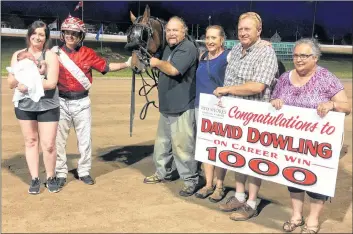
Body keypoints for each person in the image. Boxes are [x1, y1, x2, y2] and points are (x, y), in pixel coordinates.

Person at [270, 38, 351, 234]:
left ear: (315, 58)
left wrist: (332, 105)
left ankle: (313, 220)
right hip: (292, 141)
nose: (298, 59)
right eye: (296, 55)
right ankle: (297, 216)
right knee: (293, 176)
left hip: (318, 142)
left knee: (317, 180)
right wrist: (276, 101)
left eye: (304, 56)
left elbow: (346, 107)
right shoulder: (284, 78)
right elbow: (273, 99)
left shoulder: (326, 78)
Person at [213, 12, 278, 221]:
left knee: (254, 160)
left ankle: (252, 202)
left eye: (247, 29)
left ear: (259, 31)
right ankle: (239, 196)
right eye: (240, 29)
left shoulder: (266, 52)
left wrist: (226, 89)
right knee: (237, 157)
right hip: (235, 116)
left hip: (257, 117)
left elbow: (258, 86)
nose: (243, 33)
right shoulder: (235, 50)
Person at [53, 15, 132, 188]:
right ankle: (60, 172)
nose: (70, 36)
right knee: (59, 140)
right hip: (61, 102)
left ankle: (84, 171)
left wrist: (127, 63)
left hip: (81, 102)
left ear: (80, 35)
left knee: (85, 140)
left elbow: (106, 67)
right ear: (62, 33)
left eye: (74, 33)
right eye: (67, 32)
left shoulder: (88, 53)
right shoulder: (54, 54)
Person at [143, 16, 202, 197]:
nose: (171, 34)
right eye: (168, 30)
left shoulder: (188, 48)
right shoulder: (169, 47)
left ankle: (190, 180)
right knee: (163, 144)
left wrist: (157, 63)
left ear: (184, 31)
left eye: (175, 30)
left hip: (183, 105)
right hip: (167, 105)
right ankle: (163, 172)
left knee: (183, 146)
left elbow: (174, 70)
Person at [7, 20, 61, 194]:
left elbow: (51, 83)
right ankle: (35, 178)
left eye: (42, 35)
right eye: (35, 33)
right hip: (25, 105)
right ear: (29, 34)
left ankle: (51, 177)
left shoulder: (50, 56)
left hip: (48, 105)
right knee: (30, 141)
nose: (37, 37)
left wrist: (28, 85)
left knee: (49, 144)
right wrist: (20, 81)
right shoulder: (18, 55)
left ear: (46, 38)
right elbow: (10, 82)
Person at [193, 25, 228, 202]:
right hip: (201, 107)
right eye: (207, 37)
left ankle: (220, 185)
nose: (210, 41)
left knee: (219, 148)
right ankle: (208, 184)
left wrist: (264, 44)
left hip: (219, 109)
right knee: (207, 147)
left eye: (214, 38)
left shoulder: (228, 56)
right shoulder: (202, 56)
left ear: (222, 39)